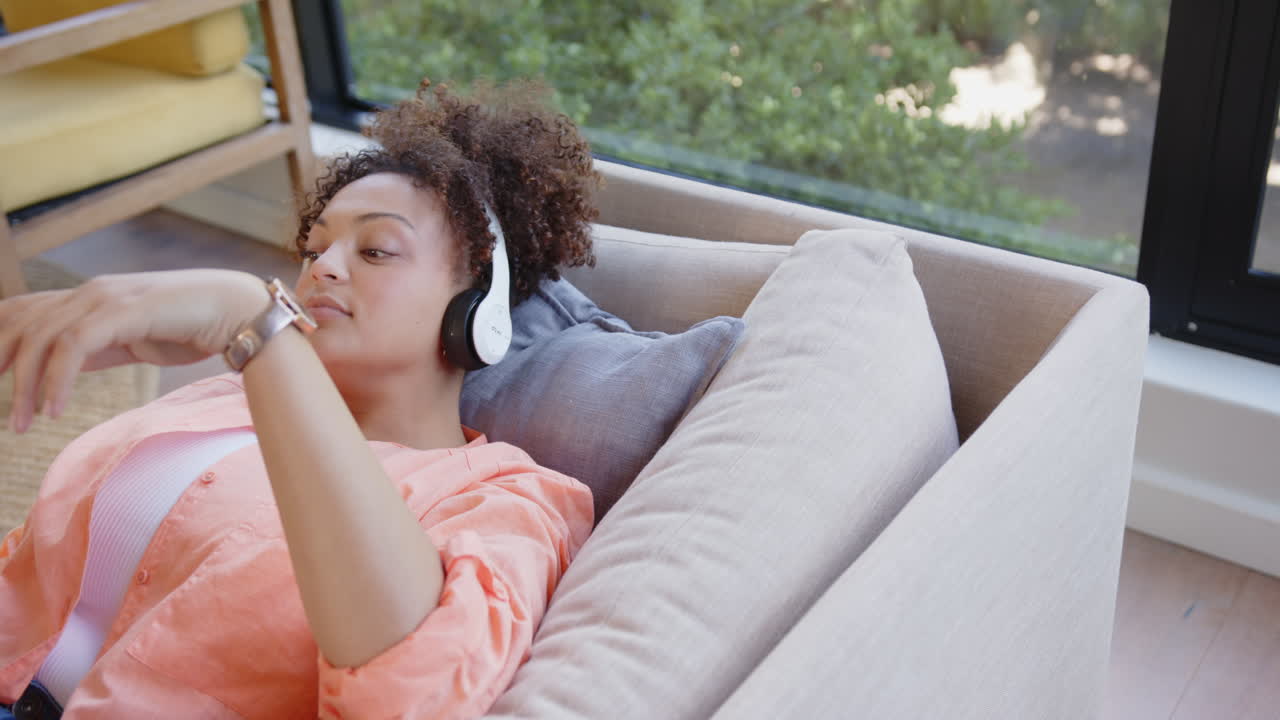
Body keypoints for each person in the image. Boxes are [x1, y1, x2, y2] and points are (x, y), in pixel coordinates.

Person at [0, 78, 598, 719]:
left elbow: (412, 694)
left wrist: (254, 322)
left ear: (479, 312)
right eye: (313, 249)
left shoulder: (510, 498)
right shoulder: (221, 399)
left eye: (376, 249)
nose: (324, 268)